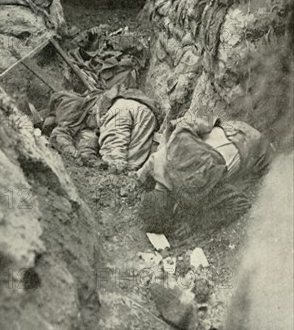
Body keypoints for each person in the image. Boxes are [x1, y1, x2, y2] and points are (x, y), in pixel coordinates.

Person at [137, 114, 270, 235]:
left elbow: (240, 204)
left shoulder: (193, 187)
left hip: (254, 144)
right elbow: (184, 122)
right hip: (233, 125)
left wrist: (194, 224)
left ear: (173, 207)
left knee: (226, 187)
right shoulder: (160, 156)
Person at [46, 84, 160, 171]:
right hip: (145, 113)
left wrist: (74, 154)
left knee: (114, 162)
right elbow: (87, 141)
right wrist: (87, 158)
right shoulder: (87, 106)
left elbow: (59, 135)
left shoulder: (74, 109)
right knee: (131, 166)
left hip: (121, 110)